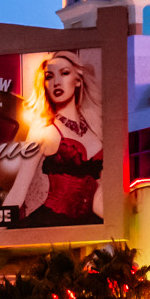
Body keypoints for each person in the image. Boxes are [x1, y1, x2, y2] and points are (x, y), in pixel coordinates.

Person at [8, 51, 105, 227]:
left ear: (78, 80)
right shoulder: (43, 131)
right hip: (50, 223)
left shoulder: (96, 131)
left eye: (65, 73)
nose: (56, 82)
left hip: (90, 226)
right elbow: (18, 190)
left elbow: (101, 199)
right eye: (49, 76)